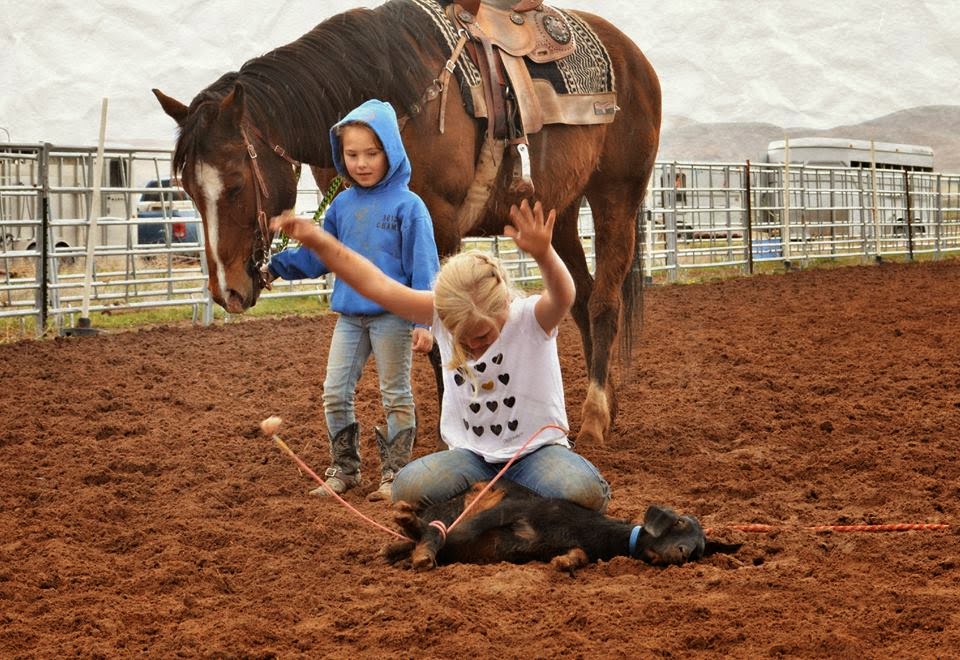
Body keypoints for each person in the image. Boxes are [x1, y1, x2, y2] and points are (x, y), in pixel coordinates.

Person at [270, 198, 611, 512]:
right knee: (408, 487)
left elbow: (564, 295)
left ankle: (490, 497)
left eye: (482, 336)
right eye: (462, 339)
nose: (473, 346)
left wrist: (545, 254)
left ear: (504, 306)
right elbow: (375, 284)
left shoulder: (530, 318)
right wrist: (318, 241)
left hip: (537, 454)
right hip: (471, 457)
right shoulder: (439, 312)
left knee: (583, 491)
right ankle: (507, 497)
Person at [267, 99, 440, 502]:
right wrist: (276, 266)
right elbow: (318, 256)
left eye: (371, 153)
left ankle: (395, 475)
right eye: (352, 154)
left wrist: (424, 322)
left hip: (395, 317)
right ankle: (344, 469)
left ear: (391, 152)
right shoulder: (341, 205)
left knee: (395, 393)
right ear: (340, 156)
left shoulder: (409, 207)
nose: (361, 163)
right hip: (349, 316)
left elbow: (424, 266)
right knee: (334, 390)